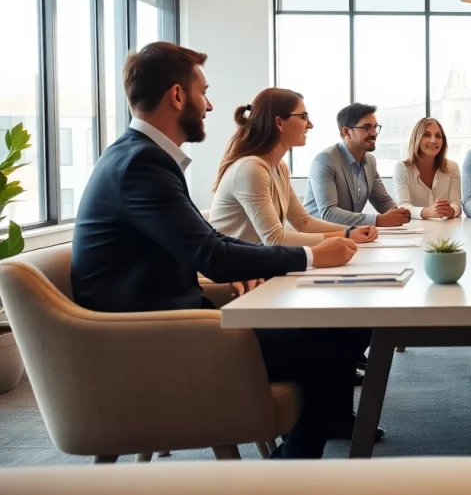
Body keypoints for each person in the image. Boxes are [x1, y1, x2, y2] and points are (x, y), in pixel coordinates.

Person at [70, 42, 381, 459]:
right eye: (203, 92)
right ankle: (290, 473)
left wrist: (236, 260)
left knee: (337, 334)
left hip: (175, 322)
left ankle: (305, 447)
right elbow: (214, 255)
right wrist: (310, 256)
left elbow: (209, 245)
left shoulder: (139, 157)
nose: (211, 105)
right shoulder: (141, 165)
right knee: (329, 349)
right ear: (177, 96)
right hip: (157, 341)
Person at [209, 88, 379, 247]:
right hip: (231, 274)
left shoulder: (280, 167)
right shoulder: (251, 168)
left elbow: (304, 222)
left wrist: (350, 231)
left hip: (257, 267)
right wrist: (346, 236)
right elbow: (275, 239)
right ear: (279, 123)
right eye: (303, 116)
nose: (310, 124)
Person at [303, 102, 411, 227]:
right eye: (366, 127)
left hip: (350, 234)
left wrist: (398, 214)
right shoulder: (325, 160)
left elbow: (382, 201)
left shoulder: (370, 161)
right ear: (346, 132)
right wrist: (378, 220)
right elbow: (329, 213)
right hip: (316, 236)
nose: (374, 133)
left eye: (375, 127)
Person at [393, 117, 462, 220]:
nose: (433, 140)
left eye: (438, 136)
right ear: (417, 138)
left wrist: (451, 210)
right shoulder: (402, 168)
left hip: (445, 230)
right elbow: (403, 206)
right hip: (415, 231)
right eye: (426, 135)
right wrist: (428, 212)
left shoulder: (452, 167)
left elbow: (456, 204)